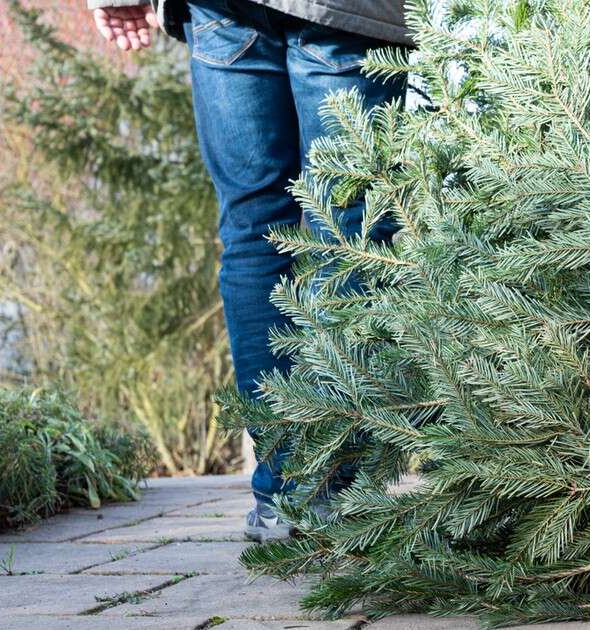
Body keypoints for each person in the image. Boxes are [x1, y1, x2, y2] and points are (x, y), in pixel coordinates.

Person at [87, 0, 408, 542]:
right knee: (353, 228)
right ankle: (338, 490)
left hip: (226, 10)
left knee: (253, 233)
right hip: (351, 12)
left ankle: (287, 492)